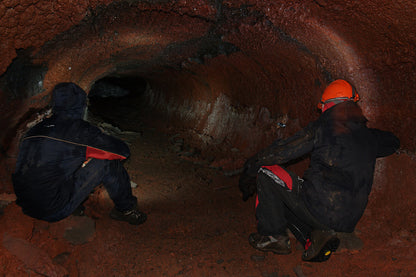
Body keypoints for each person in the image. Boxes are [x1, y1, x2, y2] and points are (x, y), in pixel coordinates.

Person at [239, 79, 399, 262]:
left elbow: (280, 153)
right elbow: (393, 142)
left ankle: (272, 237)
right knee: (292, 200)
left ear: (327, 105)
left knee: (267, 172)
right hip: (349, 220)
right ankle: (316, 237)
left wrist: (250, 169)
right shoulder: (370, 136)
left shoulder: (321, 128)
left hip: (320, 208)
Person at [12, 82, 147, 225]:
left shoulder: (34, 130)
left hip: (26, 205)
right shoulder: (78, 129)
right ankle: (125, 210)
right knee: (107, 161)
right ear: (81, 105)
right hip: (52, 208)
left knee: (67, 161)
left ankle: (74, 204)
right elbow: (122, 152)